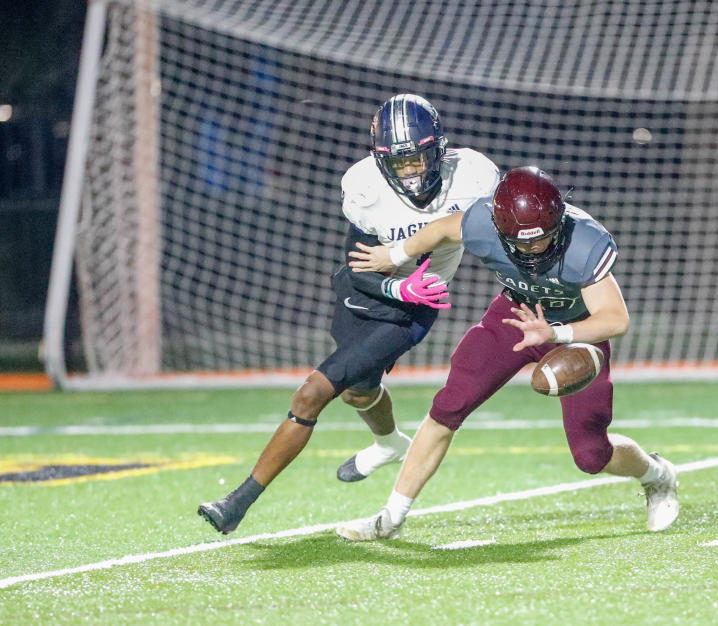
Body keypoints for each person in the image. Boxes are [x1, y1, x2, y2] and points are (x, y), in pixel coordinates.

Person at [198, 94, 499, 534]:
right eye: (400, 164)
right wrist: (398, 281)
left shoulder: (471, 175)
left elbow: (510, 225)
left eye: (419, 158)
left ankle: (236, 503)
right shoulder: (365, 188)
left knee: (312, 394)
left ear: (439, 150)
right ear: (381, 163)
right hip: (368, 290)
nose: (412, 170)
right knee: (360, 391)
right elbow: (357, 268)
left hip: (413, 309)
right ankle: (389, 443)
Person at [335, 166, 679, 541]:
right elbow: (441, 229)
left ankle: (657, 475)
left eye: (543, 239)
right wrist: (395, 253)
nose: (535, 249)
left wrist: (555, 333)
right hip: (514, 315)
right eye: (523, 242)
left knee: (591, 456)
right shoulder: (483, 221)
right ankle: (391, 519)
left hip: (576, 332)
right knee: (449, 405)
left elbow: (616, 319)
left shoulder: (584, 242)